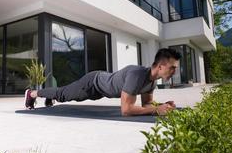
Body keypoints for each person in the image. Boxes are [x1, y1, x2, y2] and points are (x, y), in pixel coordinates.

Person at [24, 48, 181, 116]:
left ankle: (50, 96)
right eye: (172, 68)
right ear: (160, 66)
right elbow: (126, 110)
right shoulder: (137, 75)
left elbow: (147, 105)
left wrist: (161, 106)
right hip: (93, 83)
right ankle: (32, 93)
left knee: (64, 93)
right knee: (62, 94)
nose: (174, 71)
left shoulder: (152, 82)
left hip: (101, 90)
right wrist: (156, 110)